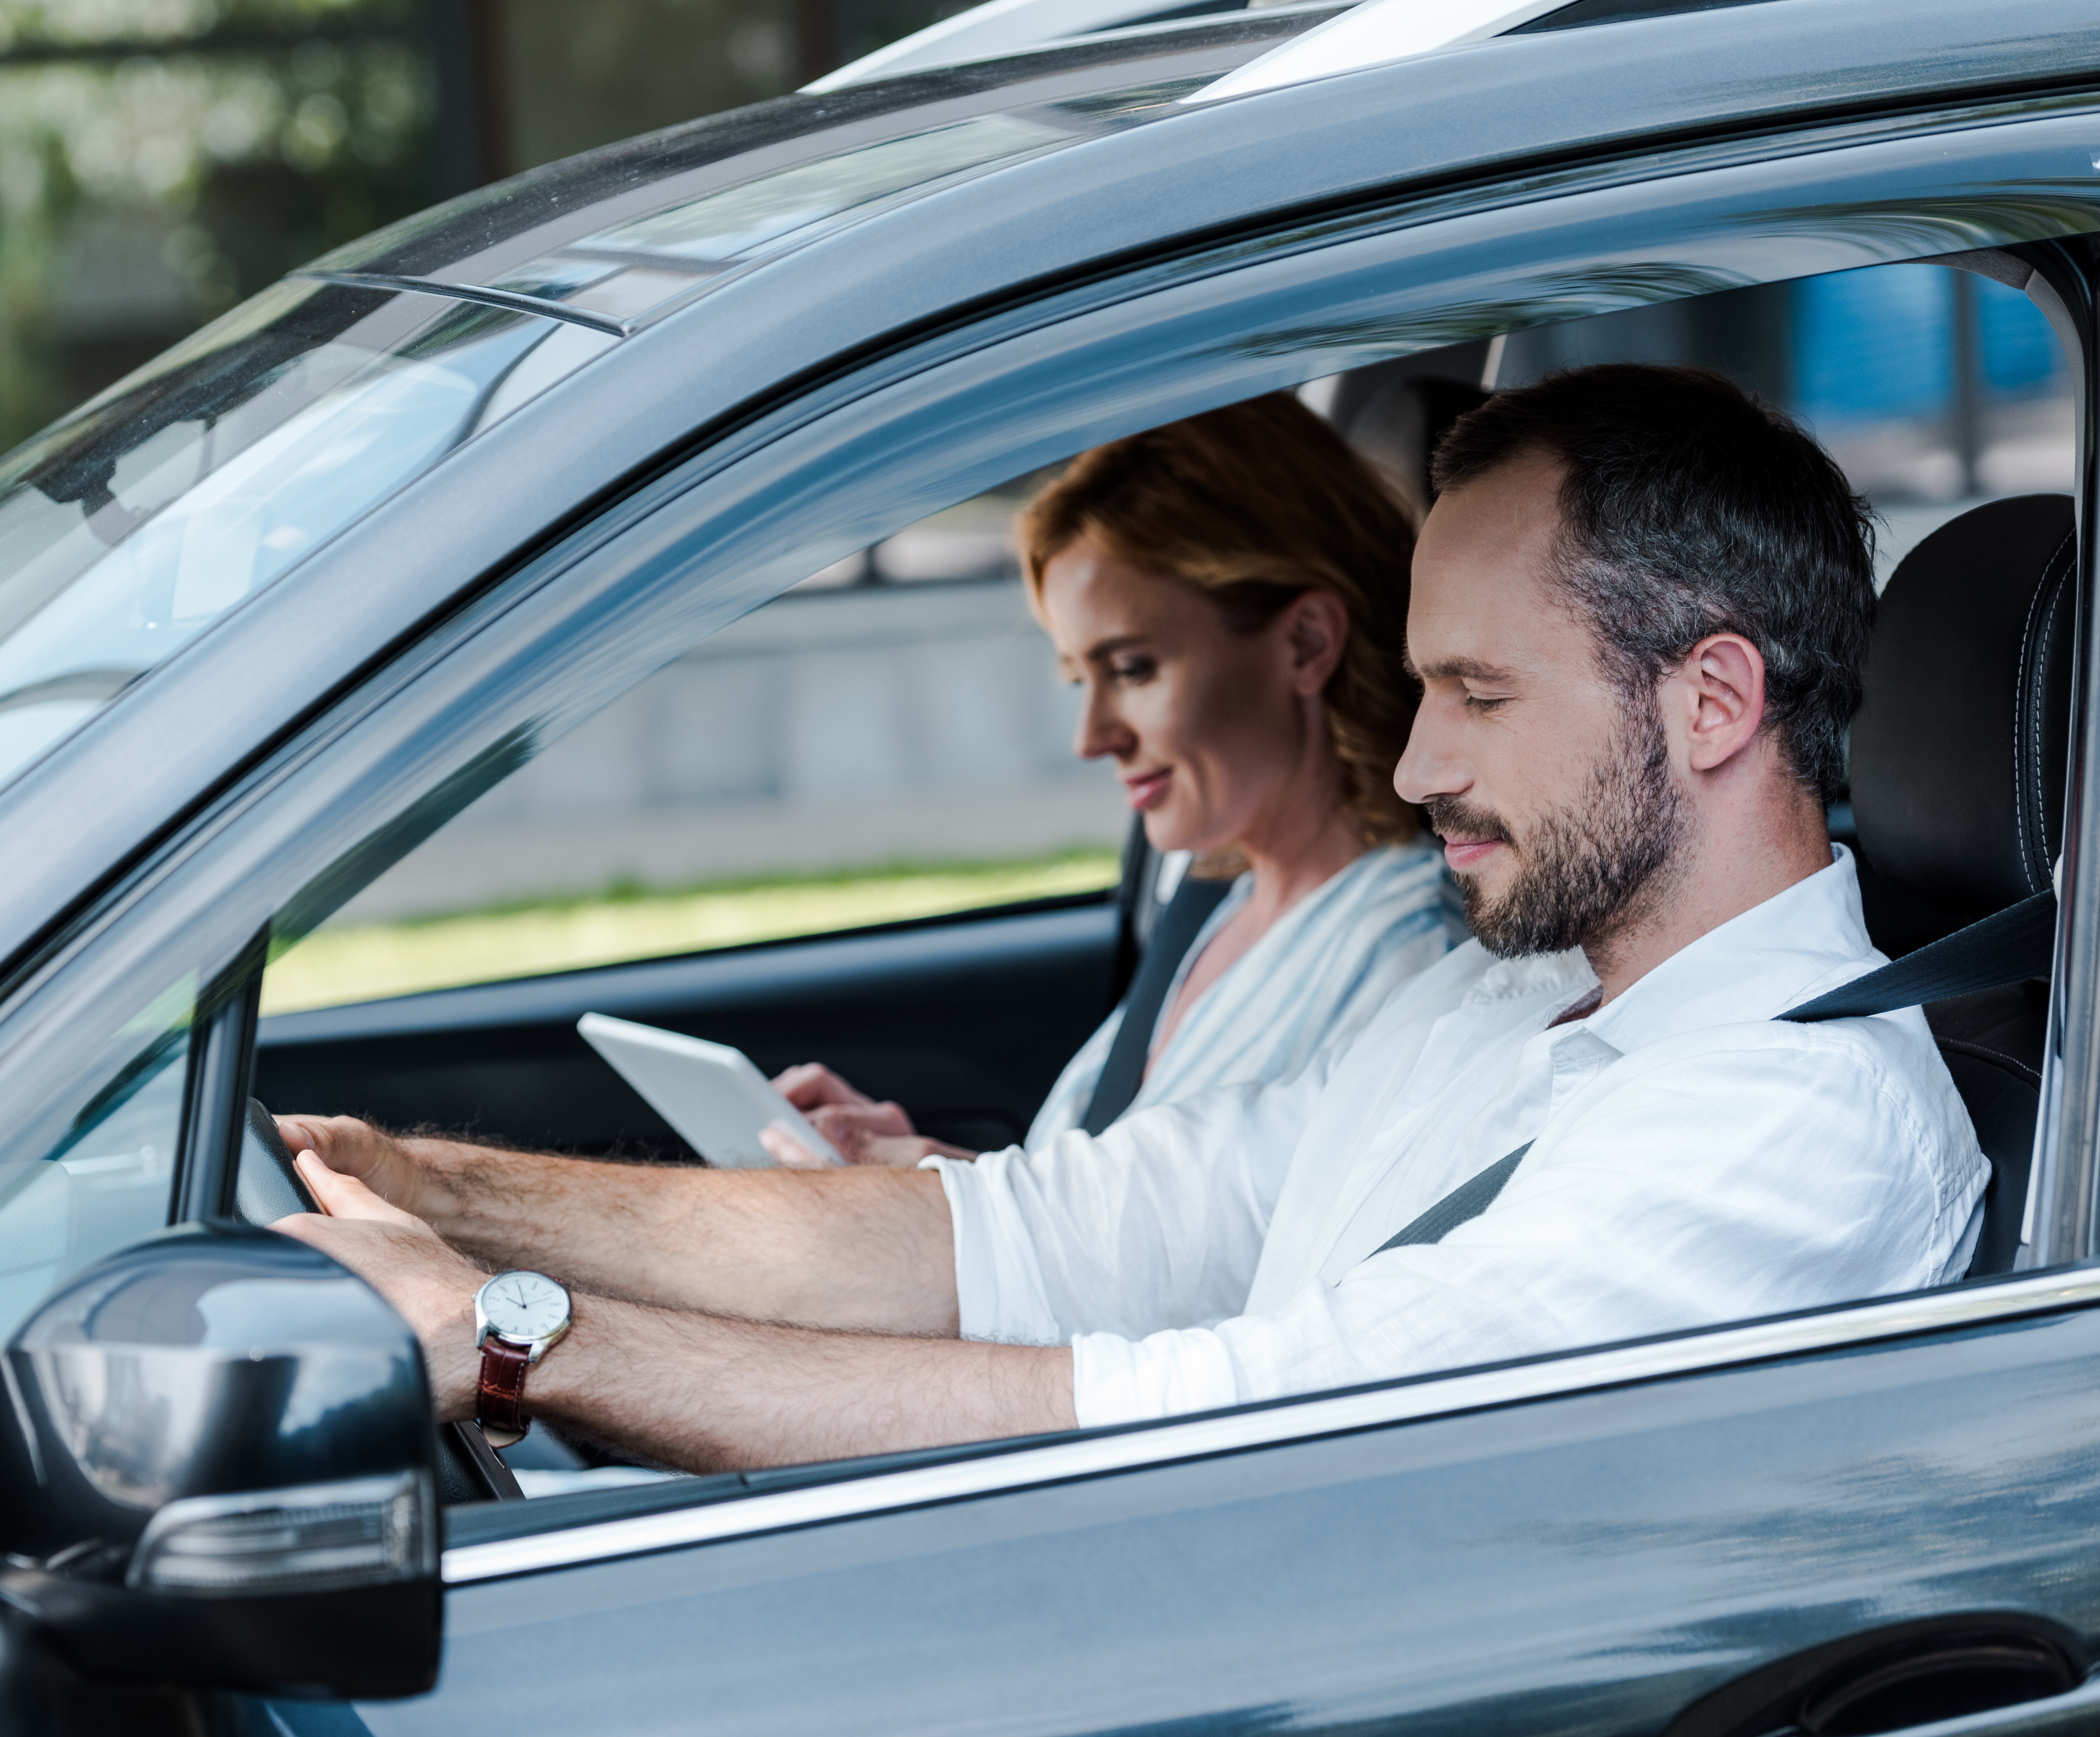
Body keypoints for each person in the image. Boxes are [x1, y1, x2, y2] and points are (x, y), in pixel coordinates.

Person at [273, 364, 1988, 1476]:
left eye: (1473, 690)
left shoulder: (1783, 1127)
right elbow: (1028, 1235)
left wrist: (501, 1337)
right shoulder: (1501, 1007)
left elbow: (1228, 1422)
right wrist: (432, 1188)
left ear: (1706, 703)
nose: (1411, 756)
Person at [765, 395, 1463, 1169]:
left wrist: (928, 1198)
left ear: (1304, 642)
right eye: (1079, 679)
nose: (1091, 738)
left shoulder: (1412, 963)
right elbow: (1125, 1227)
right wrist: (915, 1163)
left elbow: (1267, 1277)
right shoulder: (1226, 903)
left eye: (1131, 669)